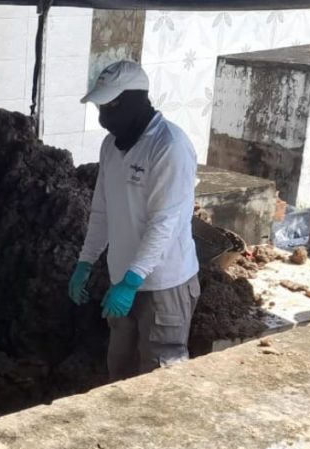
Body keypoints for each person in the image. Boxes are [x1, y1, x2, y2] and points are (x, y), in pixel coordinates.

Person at [70, 60, 200, 381]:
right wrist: (85, 263)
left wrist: (132, 281)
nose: (104, 116)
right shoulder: (111, 147)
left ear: (136, 99)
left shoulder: (169, 146)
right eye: (100, 107)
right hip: (121, 280)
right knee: (120, 372)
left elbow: (164, 224)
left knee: (159, 377)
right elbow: (101, 210)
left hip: (163, 286)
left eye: (110, 106)